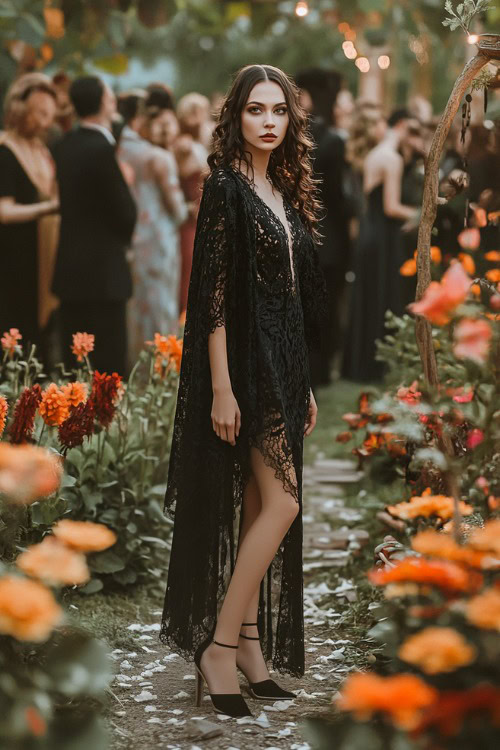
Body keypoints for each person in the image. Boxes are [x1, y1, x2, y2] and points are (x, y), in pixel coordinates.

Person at [159, 64, 327, 718]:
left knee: (265, 502)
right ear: (237, 116)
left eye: (278, 111)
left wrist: (305, 382)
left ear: (290, 121)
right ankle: (219, 645)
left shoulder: (283, 185)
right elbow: (214, 301)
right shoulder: (226, 188)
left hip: (285, 363)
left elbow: (289, 298)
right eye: (256, 109)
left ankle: (252, 649)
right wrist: (220, 388)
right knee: (283, 506)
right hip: (246, 367)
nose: (267, 121)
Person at [52, 76, 137, 376]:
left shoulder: (63, 146)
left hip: (70, 270)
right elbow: (125, 214)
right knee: (107, 368)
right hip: (104, 274)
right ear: (104, 102)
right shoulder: (102, 150)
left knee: (73, 367)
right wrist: (126, 183)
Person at [342, 109, 419, 382]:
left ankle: (360, 365)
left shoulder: (374, 154)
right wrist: (423, 213)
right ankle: (376, 367)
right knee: (383, 295)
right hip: (385, 236)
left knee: (369, 297)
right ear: (400, 126)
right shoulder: (392, 158)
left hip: (369, 232)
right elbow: (391, 206)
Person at [117, 90, 188, 366]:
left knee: (136, 307)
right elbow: (177, 209)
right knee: (161, 306)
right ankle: (162, 368)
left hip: (131, 238)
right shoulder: (158, 157)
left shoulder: (119, 150)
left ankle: (136, 365)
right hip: (159, 239)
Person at [295, 68, 350, 387]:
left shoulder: (299, 135)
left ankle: (307, 369)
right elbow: (338, 196)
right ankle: (319, 372)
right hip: (329, 234)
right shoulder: (331, 140)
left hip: (302, 230)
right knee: (324, 306)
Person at [0, 73, 59, 355]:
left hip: (40, 256)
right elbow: (4, 211)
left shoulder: (40, 149)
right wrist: (48, 208)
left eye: (50, 115)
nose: (45, 122)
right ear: (19, 108)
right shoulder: (5, 150)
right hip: (14, 259)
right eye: (39, 113)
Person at [174, 93, 210, 313]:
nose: (196, 116)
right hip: (190, 215)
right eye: (191, 111)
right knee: (189, 268)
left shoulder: (207, 139)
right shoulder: (182, 144)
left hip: (207, 213)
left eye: (200, 110)